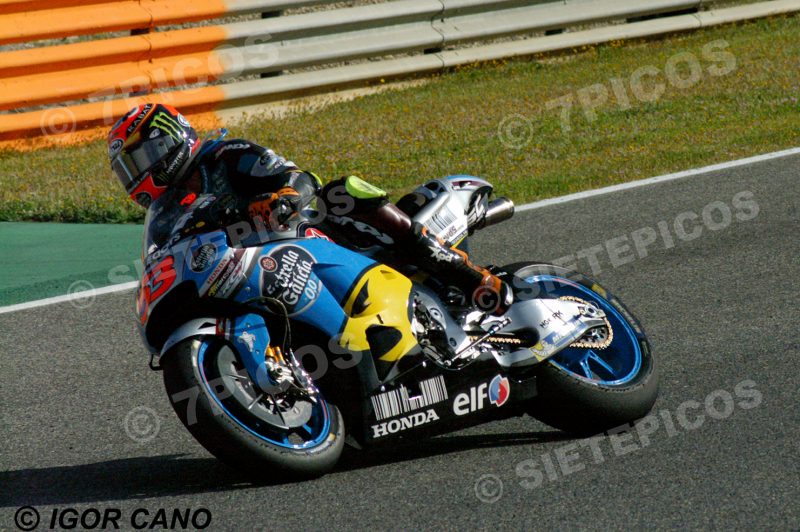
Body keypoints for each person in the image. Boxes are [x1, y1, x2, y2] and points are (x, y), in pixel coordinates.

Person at [107, 103, 512, 315]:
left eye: (143, 158)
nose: (139, 174)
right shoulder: (170, 210)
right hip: (258, 266)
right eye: (130, 169)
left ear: (169, 140)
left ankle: (460, 270)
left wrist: (284, 195)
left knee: (344, 191)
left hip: (311, 233)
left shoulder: (226, 155)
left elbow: (299, 177)